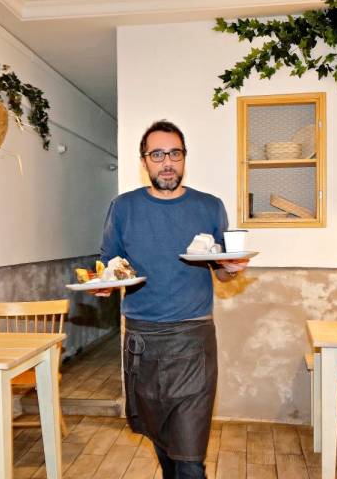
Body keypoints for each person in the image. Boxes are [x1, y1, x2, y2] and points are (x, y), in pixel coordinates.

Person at [98, 120, 248, 478]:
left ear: (184, 158)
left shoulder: (210, 207)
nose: (167, 162)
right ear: (144, 160)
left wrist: (231, 269)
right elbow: (110, 266)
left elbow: (221, 271)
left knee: (190, 457)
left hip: (193, 340)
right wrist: (104, 284)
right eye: (158, 154)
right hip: (142, 342)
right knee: (163, 441)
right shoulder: (123, 208)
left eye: (175, 154)